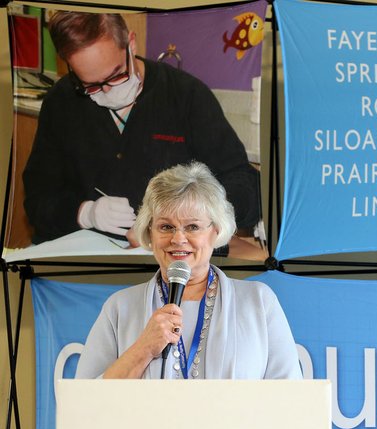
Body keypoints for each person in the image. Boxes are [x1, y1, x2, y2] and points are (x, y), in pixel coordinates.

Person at [22, 11, 261, 248]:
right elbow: (38, 200)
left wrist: (181, 221)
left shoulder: (186, 96)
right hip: (82, 256)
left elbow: (244, 184)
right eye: (90, 85)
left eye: (116, 75)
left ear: (131, 44)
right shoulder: (61, 102)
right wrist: (84, 213)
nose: (107, 92)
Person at [75, 162, 300, 380]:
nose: (178, 239)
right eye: (166, 227)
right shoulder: (119, 308)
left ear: (216, 231)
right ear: (149, 232)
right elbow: (83, 403)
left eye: (192, 227)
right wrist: (143, 349)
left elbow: (291, 402)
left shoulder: (259, 302)